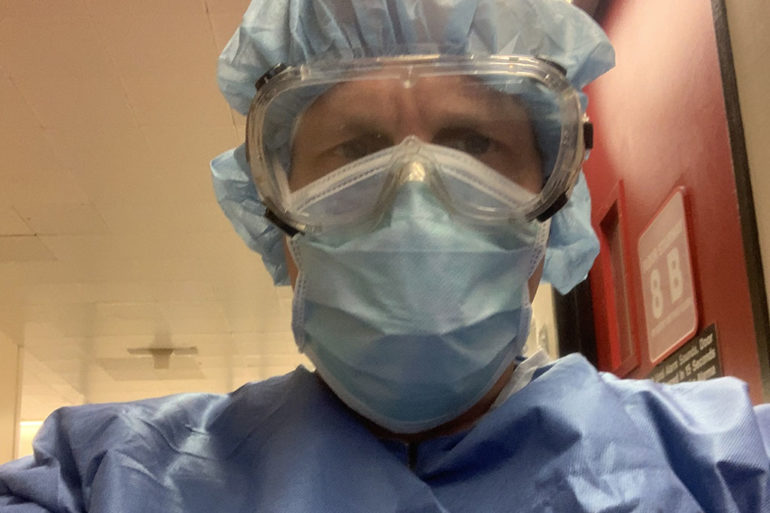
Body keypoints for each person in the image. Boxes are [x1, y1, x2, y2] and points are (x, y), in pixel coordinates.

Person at [1, 0, 769, 511]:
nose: (413, 205)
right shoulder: (102, 482)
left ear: (554, 200)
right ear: (275, 211)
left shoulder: (730, 471)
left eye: (473, 143)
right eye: (357, 148)